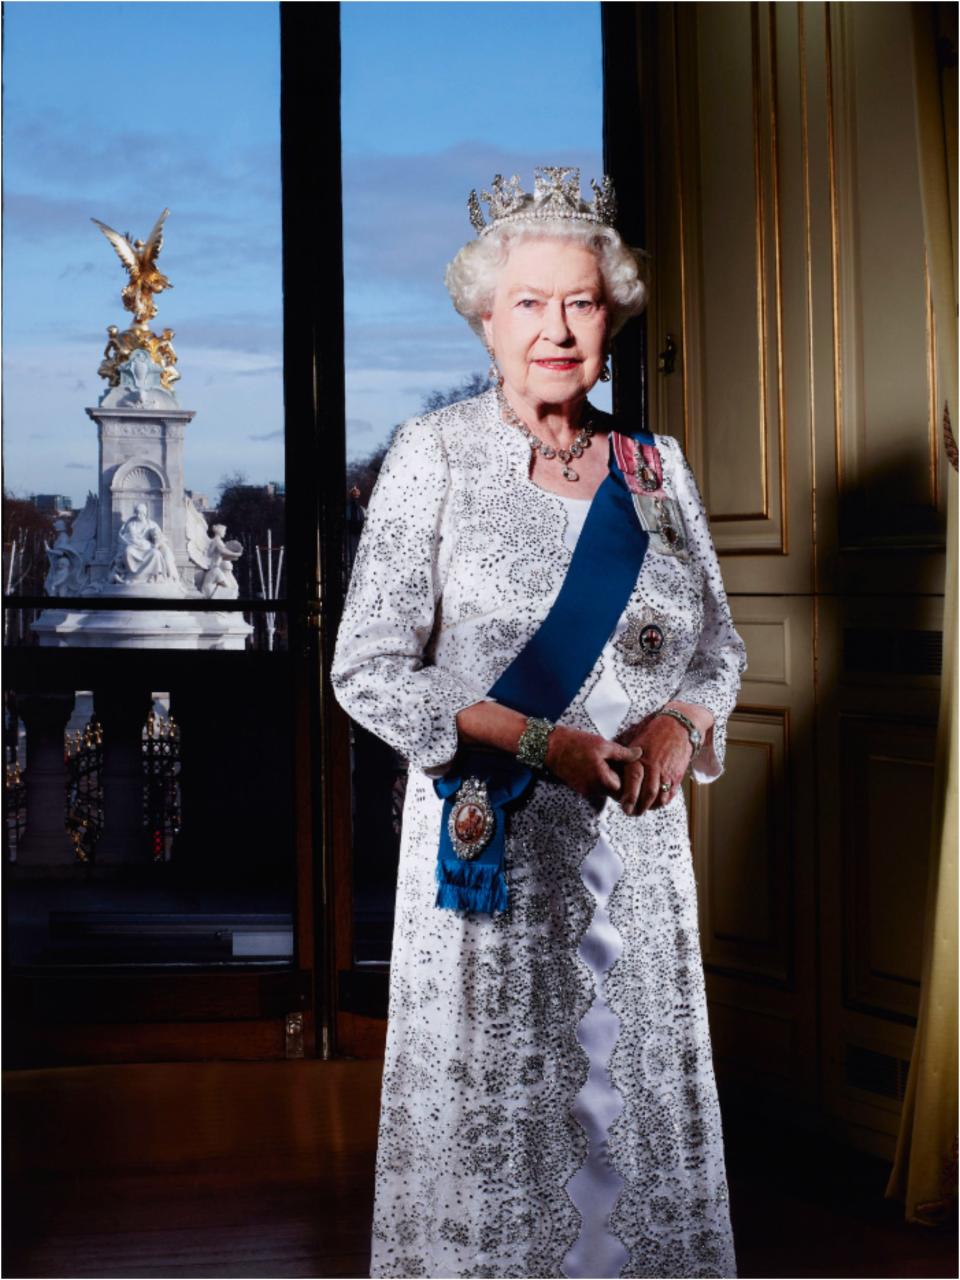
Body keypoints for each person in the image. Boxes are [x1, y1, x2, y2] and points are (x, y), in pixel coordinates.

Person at [331, 166, 747, 1280]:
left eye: (581, 302)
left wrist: (679, 724)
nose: (557, 329)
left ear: (612, 314)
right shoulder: (434, 457)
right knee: (505, 1127)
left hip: (638, 856)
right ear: (484, 316)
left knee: (630, 1113)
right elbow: (364, 667)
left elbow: (718, 645)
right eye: (530, 302)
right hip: (497, 855)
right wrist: (538, 744)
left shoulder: (659, 473)